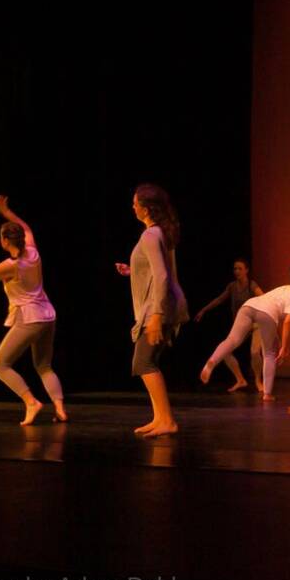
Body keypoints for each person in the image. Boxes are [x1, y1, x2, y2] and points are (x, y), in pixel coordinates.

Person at [0, 196, 66, 425]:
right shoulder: (33, 253)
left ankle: (31, 402)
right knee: (44, 365)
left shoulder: (11, 266)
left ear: (4, 241)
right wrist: (6, 211)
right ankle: (60, 409)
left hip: (29, 317)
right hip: (48, 315)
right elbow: (27, 228)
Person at [115, 184, 189, 437]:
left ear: (145, 209)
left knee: (143, 362)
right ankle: (160, 418)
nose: (132, 206)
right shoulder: (160, 233)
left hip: (158, 308)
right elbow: (156, 271)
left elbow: (161, 276)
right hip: (164, 305)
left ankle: (167, 420)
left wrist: (156, 315)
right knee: (148, 361)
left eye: (135, 203)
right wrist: (132, 271)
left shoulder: (150, 235)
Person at [200, 262, 290, 402]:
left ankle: (212, 362)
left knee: (232, 340)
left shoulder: (283, 289)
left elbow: (273, 313)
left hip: (249, 305)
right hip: (267, 313)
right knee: (269, 353)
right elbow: (287, 321)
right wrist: (284, 347)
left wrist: (279, 342)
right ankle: (267, 394)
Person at [194, 258, 264, 393]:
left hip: (255, 325)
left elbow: (264, 297)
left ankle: (257, 380)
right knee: (225, 351)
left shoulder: (251, 285)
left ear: (246, 270)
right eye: (235, 269)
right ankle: (240, 380)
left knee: (255, 352)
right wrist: (204, 310)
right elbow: (219, 299)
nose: (237, 271)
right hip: (241, 326)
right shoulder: (232, 286)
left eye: (240, 269)